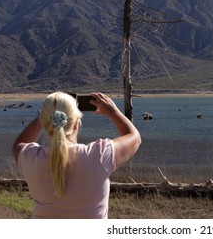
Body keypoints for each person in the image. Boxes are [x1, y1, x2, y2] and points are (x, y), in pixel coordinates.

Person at [12, 92, 141, 219]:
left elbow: (18, 144)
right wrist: (113, 112)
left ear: (46, 124)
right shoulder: (99, 155)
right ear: (76, 124)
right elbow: (134, 138)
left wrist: (43, 116)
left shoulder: (31, 159)